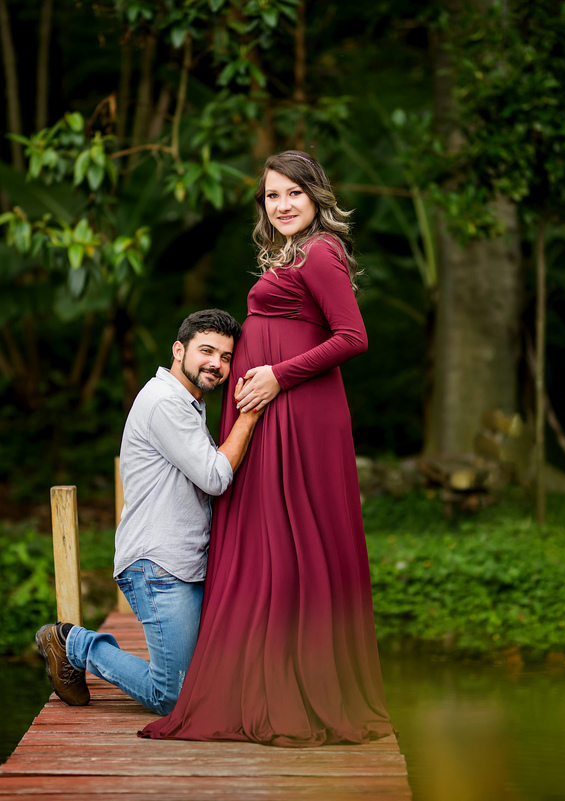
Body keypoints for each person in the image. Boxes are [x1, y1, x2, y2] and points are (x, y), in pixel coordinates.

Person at [140, 151, 394, 747]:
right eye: (272, 196)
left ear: (316, 196)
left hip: (298, 412)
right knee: (271, 539)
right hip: (275, 410)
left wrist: (279, 375)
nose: (281, 205)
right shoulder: (292, 252)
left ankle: (294, 690)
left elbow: (353, 337)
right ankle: (268, 681)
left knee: (292, 537)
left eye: (293, 193)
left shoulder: (320, 251)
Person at [36, 309, 262, 715]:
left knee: (204, 681)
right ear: (179, 350)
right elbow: (214, 477)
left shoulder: (187, 402)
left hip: (182, 561)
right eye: (206, 350)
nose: (216, 363)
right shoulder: (164, 403)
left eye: (226, 357)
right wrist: (249, 415)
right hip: (158, 564)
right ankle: (72, 643)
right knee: (172, 696)